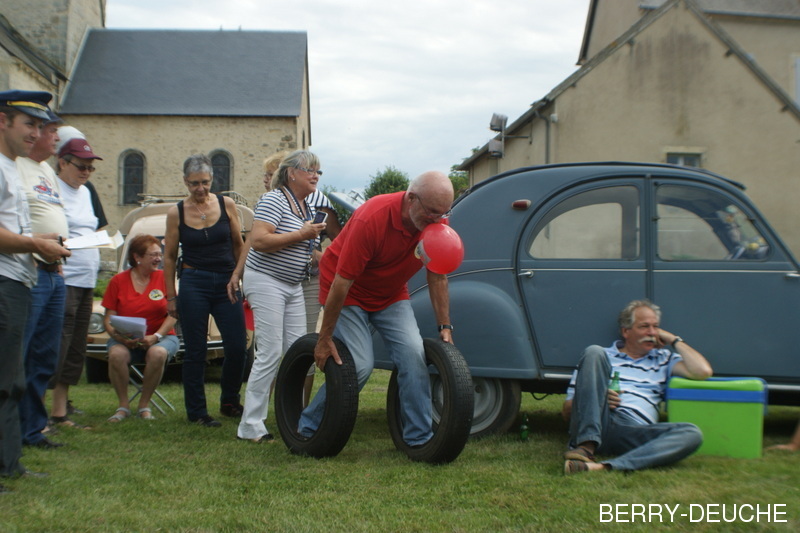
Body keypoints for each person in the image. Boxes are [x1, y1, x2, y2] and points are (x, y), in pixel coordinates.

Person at [297, 171, 455, 447]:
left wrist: (445, 327)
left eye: (443, 213)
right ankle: (309, 427)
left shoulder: (436, 221)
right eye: (432, 212)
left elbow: (438, 275)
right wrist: (324, 339)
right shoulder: (372, 218)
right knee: (358, 366)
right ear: (411, 198)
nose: (437, 219)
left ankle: (418, 439)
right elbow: (342, 283)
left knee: (414, 356)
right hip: (348, 291)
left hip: (390, 294)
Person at [0, 90, 70, 490]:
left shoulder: (14, 166)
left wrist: (39, 243)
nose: (36, 133)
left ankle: (10, 462)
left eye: (41, 126)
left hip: (22, 277)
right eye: (29, 124)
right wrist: (34, 244)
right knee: (5, 376)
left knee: (13, 377)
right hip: (6, 280)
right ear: (3, 121)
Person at [236, 150, 328, 443]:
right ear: (291, 174)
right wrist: (302, 235)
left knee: (298, 352)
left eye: (318, 171)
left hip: (292, 284)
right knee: (271, 352)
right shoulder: (274, 200)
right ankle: (250, 425)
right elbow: (259, 240)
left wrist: (331, 259)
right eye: (309, 170)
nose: (315, 176)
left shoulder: (305, 206)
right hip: (266, 280)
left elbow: (304, 249)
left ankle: (293, 418)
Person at [562, 299, 713, 474]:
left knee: (691, 433)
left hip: (632, 430)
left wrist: (674, 340)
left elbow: (702, 371)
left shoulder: (662, 358)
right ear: (625, 331)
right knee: (593, 350)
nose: (652, 333)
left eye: (656, 327)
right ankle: (586, 447)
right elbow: (567, 412)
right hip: (597, 422)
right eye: (644, 326)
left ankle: (604, 467)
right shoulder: (601, 357)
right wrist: (597, 398)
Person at [164, 153, 247, 427]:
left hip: (226, 283)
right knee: (196, 350)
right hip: (193, 282)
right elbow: (168, 257)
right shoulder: (176, 212)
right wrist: (171, 296)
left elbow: (238, 245)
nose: (200, 188)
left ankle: (230, 401)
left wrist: (240, 278)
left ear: (212, 179)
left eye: (205, 182)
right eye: (194, 183)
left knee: (237, 346)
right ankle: (197, 411)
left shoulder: (226, 204)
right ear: (185, 182)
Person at [16, 109, 70, 448]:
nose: (53, 137)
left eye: (47, 129)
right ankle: (12, 431)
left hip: (53, 273)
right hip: (29, 271)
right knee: (19, 355)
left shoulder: (47, 170)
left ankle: (32, 429)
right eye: (50, 130)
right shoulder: (14, 166)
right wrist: (39, 248)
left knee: (44, 357)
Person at [49, 137, 104, 430]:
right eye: (81, 166)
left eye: (90, 168)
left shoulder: (85, 192)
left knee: (75, 346)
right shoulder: (53, 189)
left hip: (86, 278)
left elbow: (93, 226)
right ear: (63, 162)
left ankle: (60, 410)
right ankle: (37, 409)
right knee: (58, 342)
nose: (86, 172)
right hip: (64, 277)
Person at [102, 234, 179, 422]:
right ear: (137, 257)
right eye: (153, 255)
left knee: (157, 353)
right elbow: (108, 318)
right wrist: (119, 338)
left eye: (159, 254)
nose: (159, 259)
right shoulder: (118, 281)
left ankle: (144, 405)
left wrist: (156, 336)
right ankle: (123, 406)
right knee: (116, 354)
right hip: (126, 339)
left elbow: (174, 314)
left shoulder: (165, 278)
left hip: (161, 337)